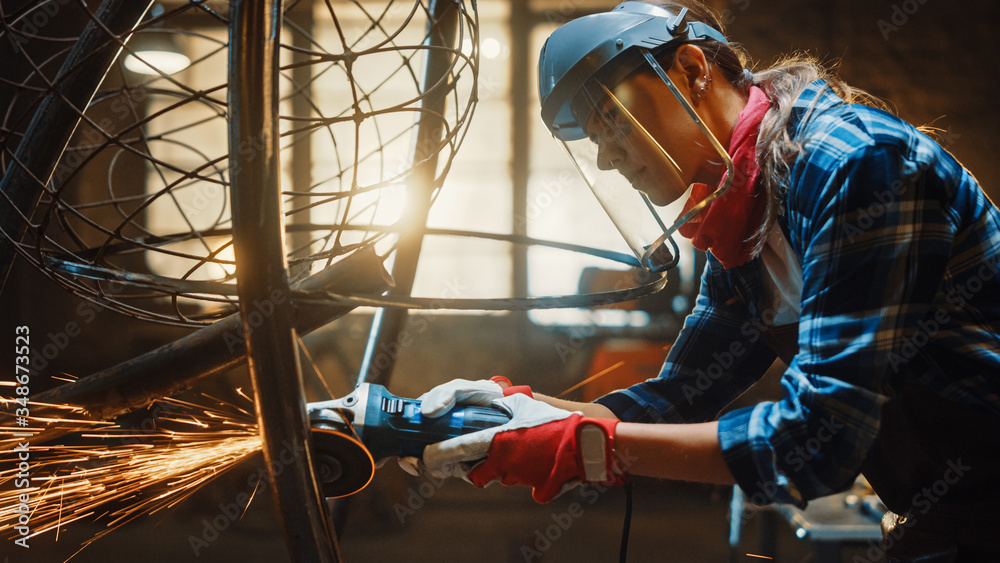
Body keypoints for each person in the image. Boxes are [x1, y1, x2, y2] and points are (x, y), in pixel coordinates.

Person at [408, 1, 1000, 560]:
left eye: (612, 119)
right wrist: (523, 413)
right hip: (954, 512)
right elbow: (678, 397)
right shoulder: (745, 211)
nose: (607, 159)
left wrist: (591, 447)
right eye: (593, 138)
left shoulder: (855, 165)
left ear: (691, 68)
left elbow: (819, 441)